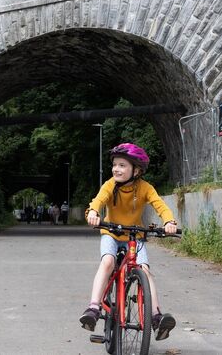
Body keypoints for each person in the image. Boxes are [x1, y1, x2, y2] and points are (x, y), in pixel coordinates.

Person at [78, 143, 178, 341]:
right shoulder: (109, 185)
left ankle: (156, 316)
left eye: (122, 165)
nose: (116, 168)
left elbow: (160, 205)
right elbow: (98, 201)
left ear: (137, 170)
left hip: (134, 236)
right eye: (115, 164)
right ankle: (93, 308)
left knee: (145, 270)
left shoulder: (145, 188)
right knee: (107, 262)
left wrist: (169, 221)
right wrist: (93, 213)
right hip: (111, 233)